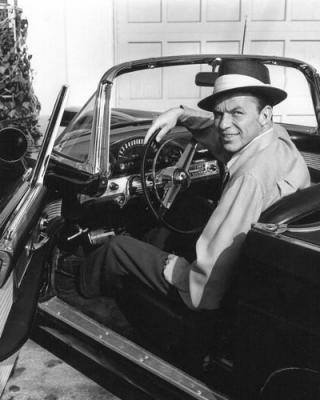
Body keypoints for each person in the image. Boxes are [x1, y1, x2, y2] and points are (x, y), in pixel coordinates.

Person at [62, 59, 310, 311]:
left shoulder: (249, 179)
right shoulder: (276, 138)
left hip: (212, 291)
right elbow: (224, 132)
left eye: (237, 113)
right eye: (218, 114)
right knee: (174, 219)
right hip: (262, 269)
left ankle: (73, 290)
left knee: (116, 249)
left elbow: (206, 286)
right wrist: (182, 114)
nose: (223, 124)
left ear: (265, 115)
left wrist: (176, 270)